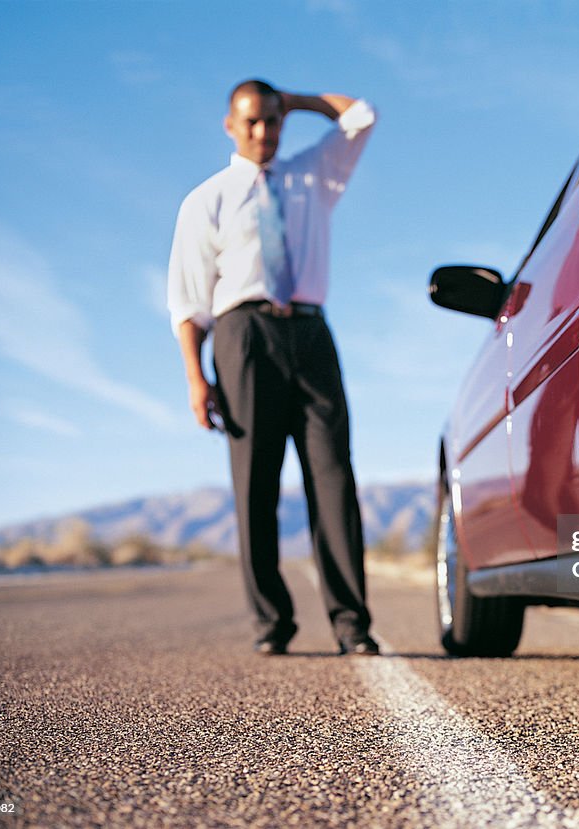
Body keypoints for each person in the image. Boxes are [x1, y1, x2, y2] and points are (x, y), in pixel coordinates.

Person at [167, 79, 378, 656]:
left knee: (333, 477)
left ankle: (351, 624)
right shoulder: (205, 201)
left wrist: (297, 99)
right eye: (252, 122)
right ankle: (271, 624)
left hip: (311, 333)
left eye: (272, 120)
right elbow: (188, 303)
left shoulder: (313, 177)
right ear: (230, 126)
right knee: (254, 482)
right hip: (243, 337)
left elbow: (361, 115)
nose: (264, 132)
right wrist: (195, 377)